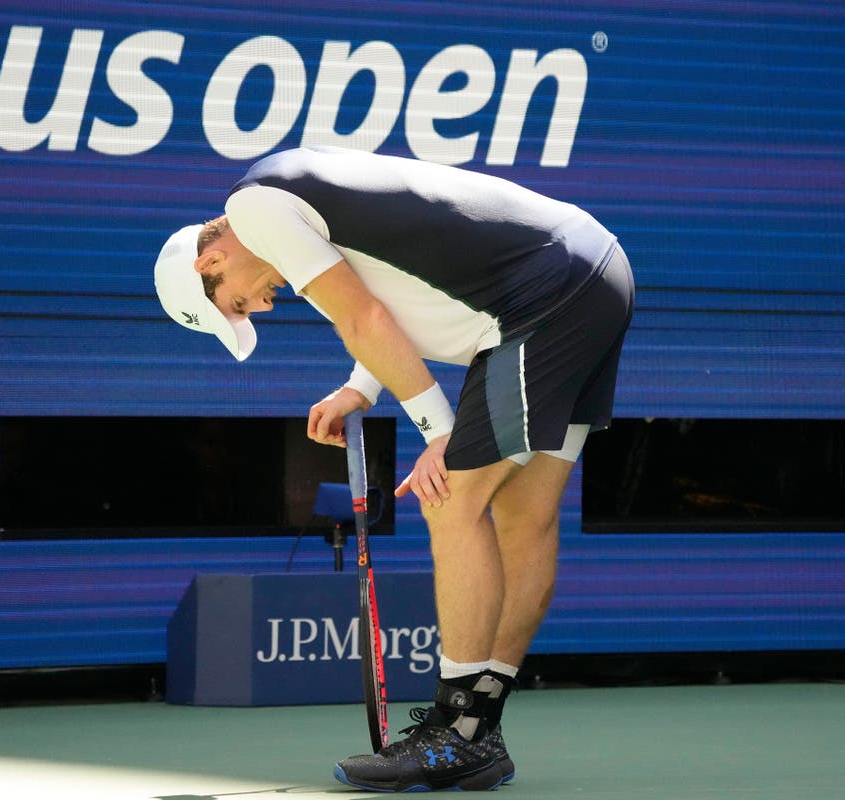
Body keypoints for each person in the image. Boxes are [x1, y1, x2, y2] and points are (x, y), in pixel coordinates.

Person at [154, 146, 634, 792]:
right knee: (525, 518)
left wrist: (439, 432)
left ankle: (452, 733)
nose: (260, 308)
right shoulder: (291, 200)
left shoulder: (255, 206)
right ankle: (478, 729)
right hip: (595, 271)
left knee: (450, 501)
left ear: (211, 261)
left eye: (236, 306)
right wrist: (362, 388)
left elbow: (365, 316)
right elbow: (389, 293)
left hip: (543, 295)